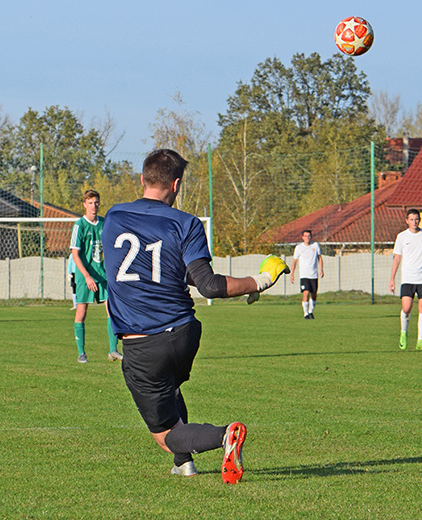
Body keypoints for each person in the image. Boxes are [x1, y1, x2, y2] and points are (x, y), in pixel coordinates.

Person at [102, 149, 286, 484]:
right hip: (185, 333)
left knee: (165, 435)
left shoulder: (114, 217)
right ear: (176, 184)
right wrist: (258, 280)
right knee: (171, 390)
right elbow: (207, 284)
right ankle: (184, 464)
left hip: (143, 343)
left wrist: (255, 282)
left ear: (142, 179)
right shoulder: (186, 223)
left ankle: (224, 435)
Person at [70, 189, 122, 364]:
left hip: (103, 276)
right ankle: (81, 353)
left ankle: (113, 350)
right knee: (81, 312)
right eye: (90, 203)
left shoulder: (105, 223)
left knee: (112, 311)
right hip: (85, 276)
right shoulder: (79, 226)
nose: (94, 206)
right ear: (84, 204)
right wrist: (86, 276)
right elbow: (75, 255)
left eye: (96, 202)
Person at [389, 208, 422, 351]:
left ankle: (420, 341)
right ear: (407, 221)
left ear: (420, 220)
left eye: (416, 219)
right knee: (406, 308)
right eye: (412, 220)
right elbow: (397, 258)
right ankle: (403, 333)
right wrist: (392, 279)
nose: (414, 222)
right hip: (408, 278)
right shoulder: (402, 236)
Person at [289, 230, 324, 319]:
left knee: (314, 294)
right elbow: (294, 261)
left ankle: (310, 312)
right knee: (306, 293)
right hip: (304, 275)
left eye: (309, 236)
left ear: (311, 237)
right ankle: (305, 313)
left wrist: (321, 269)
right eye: (305, 236)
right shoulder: (299, 247)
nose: (307, 237)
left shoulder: (315, 245)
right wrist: (292, 274)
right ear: (302, 237)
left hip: (314, 275)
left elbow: (319, 258)